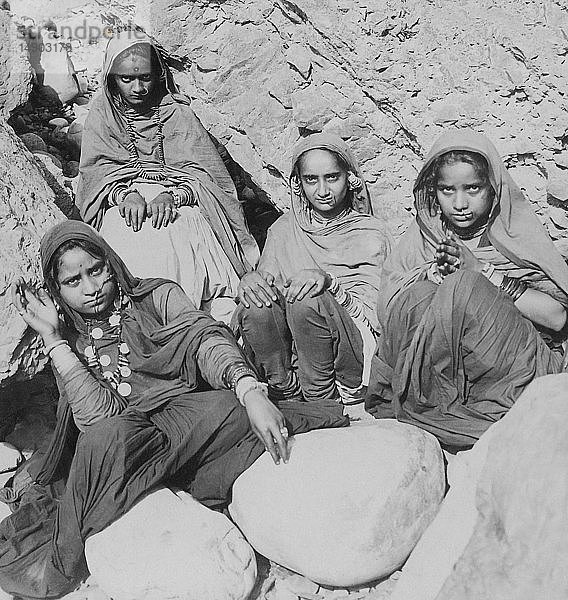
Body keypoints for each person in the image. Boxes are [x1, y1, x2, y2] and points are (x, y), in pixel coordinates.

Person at [0, 221, 347, 598]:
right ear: (57, 291)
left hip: (191, 420)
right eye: (73, 281)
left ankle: (157, 482)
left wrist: (250, 392)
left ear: (110, 262)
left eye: (96, 270)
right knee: (104, 439)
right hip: (129, 440)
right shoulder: (67, 339)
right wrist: (53, 339)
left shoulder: (157, 296)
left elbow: (206, 341)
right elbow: (100, 419)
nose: (91, 287)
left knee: (228, 406)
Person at [366, 130, 568, 448]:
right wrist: (431, 277)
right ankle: (435, 406)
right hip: (441, 372)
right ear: (434, 192)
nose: (460, 203)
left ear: (492, 188)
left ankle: (453, 414)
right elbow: (390, 313)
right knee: (418, 294)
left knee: (463, 285)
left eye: (472, 188)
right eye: (448, 190)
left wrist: (481, 272)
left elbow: (557, 317)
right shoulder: (424, 237)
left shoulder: (513, 233)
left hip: (513, 368)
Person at [76, 29, 259, 324]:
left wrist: (173, 195)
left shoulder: (179, 115)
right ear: (111, 79)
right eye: (127, 79)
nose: (138, 88)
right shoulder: (102, 115)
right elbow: (95, 177)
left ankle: (189, 321)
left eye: (145, 77)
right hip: (123, 206)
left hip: (181, 204)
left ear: (158, 75)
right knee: (121, 240)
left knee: (179, 232)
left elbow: (208, 179)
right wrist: (124, 194)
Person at [236, 133, 391, 407]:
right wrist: (250, 281)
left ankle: (321, 399)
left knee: (308, 298)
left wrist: (329, 284)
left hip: (349, 355)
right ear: (298, 184)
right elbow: (267, 285)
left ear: (350, 178)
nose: (322, 190)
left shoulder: (370, 232)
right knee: (256, 305)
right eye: (311, 180)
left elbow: (379, 317)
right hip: (296, 356)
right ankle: (284, 388)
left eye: (332, 177)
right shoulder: (284, 230)